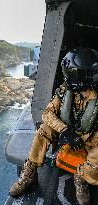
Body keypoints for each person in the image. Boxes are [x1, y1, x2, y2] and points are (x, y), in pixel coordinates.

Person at [10, 47, 98, 205]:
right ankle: (29, 173)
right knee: (44, 129)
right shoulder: (65, 91)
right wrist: (64, 130)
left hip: (90, 137)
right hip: (68, 132)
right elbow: (47, 114)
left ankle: (82, 176)